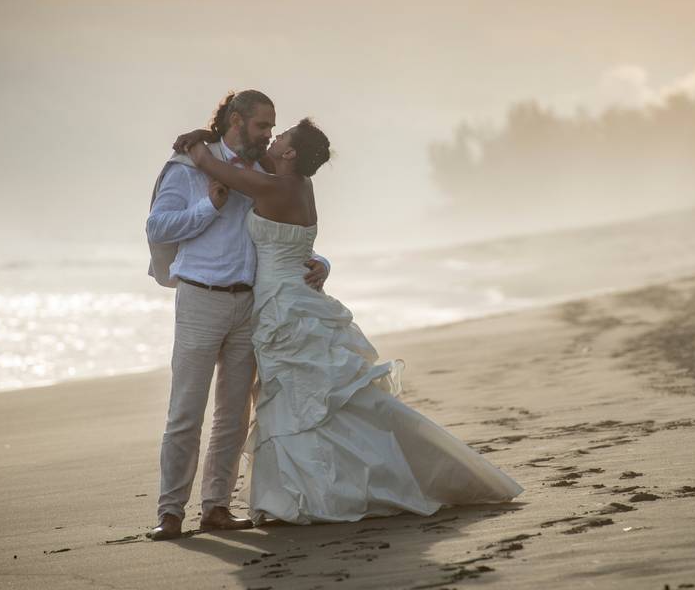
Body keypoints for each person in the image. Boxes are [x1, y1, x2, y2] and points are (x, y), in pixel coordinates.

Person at [174, 118, 523, 526]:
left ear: (289, 153)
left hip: (284, 306)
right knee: (308, 397)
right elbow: (296, 239)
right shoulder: (298, 185)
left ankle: (316, 490)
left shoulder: (276, 187)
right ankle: (307, 487)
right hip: (292, 299)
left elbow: (217, 170)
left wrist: (198, 143)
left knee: (300, 397)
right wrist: (321, 262)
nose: (274, 137)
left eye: (281, 135)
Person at [144, 91, 331, 540]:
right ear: (235, 120)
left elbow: (281, 233)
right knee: (185, 411)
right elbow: (157, 226)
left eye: (273, 128)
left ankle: (217, 508)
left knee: (233, 414)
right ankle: (170, 512)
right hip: (200, 298)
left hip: (251, 303)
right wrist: (209, 206)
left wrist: (321, 262)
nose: (268, 135)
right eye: (262, 126)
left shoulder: (266, 170)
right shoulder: (188, 165)